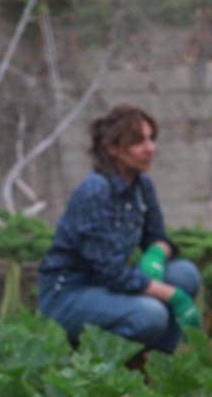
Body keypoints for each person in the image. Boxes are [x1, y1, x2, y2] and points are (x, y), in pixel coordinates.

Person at [38, 104, 202, 358]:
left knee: (185, 274)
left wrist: (156, 255)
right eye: (138, 142)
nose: (150, 148)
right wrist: (174, 297)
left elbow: (158, 237)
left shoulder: (142, 185)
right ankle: (91, 362)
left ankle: (159, 365)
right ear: (112, 148)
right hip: (69, 294)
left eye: (151, 138)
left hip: (107, 288)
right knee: (151, 314)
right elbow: (111, 273)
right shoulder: (95, 190)